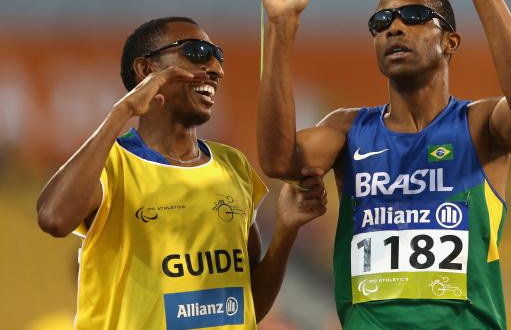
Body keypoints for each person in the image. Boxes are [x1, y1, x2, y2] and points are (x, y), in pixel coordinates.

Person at [249, 0, 511, 329]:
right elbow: (276, 159)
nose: (393, 28)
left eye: (412, 17)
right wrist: (280, 26)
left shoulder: (477, 124)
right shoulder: (348, 130)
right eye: (381, 22)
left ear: (450, 42)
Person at [36, 17, 327, 329]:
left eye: (218, 56)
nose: (215, 68)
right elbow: (53, 218)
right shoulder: (113, 164)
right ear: (146, 70)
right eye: (198, 52)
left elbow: (246, 304)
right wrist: (121, 112)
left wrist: (285, 231)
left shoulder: (233, 165)